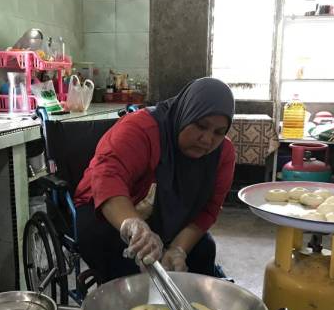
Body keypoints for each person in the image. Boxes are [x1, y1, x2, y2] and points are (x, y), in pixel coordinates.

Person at [74, 77, 236, 282]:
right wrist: (133, 225)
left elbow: (208, 209)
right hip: (108, 211)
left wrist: (178, 249)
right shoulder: (141, 129)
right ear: (186, 113)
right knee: (129, 266)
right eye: (200, 126)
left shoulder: (222, 154)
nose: (207, 140)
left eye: (219, 132)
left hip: (164, 217)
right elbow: (107, 177)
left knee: (204, 250)